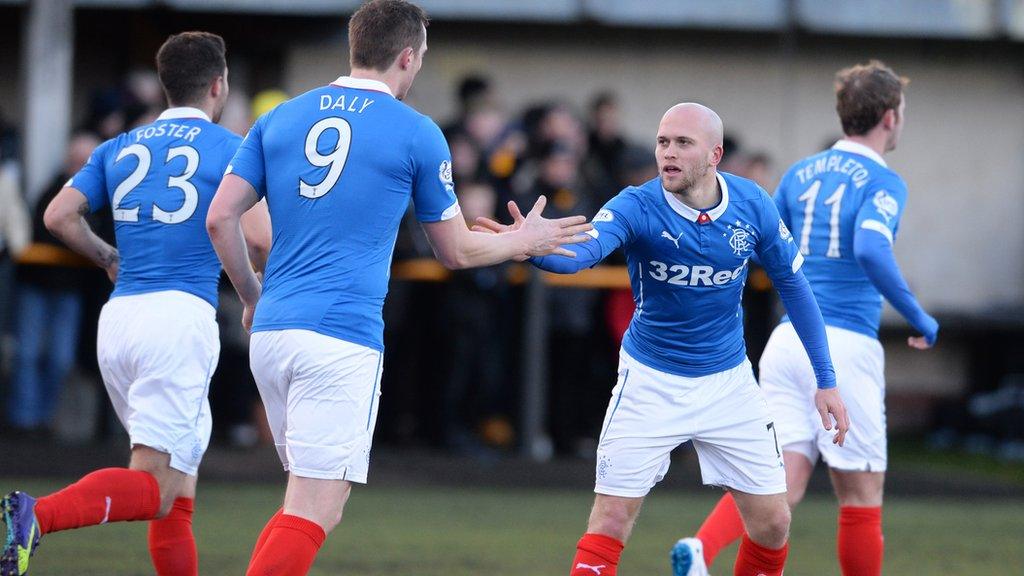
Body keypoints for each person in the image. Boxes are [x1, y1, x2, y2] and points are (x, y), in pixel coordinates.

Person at [204, 2, 591, 574]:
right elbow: (456, 250)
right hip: (338, 338)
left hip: (275, 331)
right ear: (407, 56)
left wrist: (252, 297)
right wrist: (523, 241)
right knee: (316, 508)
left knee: (301, 504)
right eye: (420, 60)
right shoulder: (417, 131)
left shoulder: (281, 116)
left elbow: (220, 219)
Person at [475, 102, 850, 576]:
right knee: (610, 519)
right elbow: (579, 256)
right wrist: (525, 245)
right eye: (662, 142)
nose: (667, 153)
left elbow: (796, 288)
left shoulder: (753, 204)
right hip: (649, 381)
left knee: (774, 522)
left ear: (714, 154)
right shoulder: (637, 204)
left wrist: (827, 379)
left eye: (682, 143)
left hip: (728, 383)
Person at [1, 32, 248, 576]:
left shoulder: (119, 147)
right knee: (156, 488)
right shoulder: (231, 149)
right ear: (218, 85)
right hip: (177, 320)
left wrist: (107, 256)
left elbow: (59, 216)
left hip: (121, 316)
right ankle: (37, 514)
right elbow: (257, 235)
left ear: (165, 86)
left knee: (177, 489)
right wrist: (258, 291)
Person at [678, 61, 938, 576]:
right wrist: (919, 317)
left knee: (780, 481)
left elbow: (759, 244)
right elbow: (870, 246)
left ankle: (702, 549)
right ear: (889, 117)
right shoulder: (885, 181)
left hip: (788, 342)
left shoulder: (799, 174)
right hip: (844, 346)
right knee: (860, 494)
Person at [6, 132, 99, 436]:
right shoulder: (53, 189)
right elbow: (45, 227)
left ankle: (43, 419)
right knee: (28, 353)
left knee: (61, 358)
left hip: (69, 287)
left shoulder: (97, 194)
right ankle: (24, 419)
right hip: (38, 282)